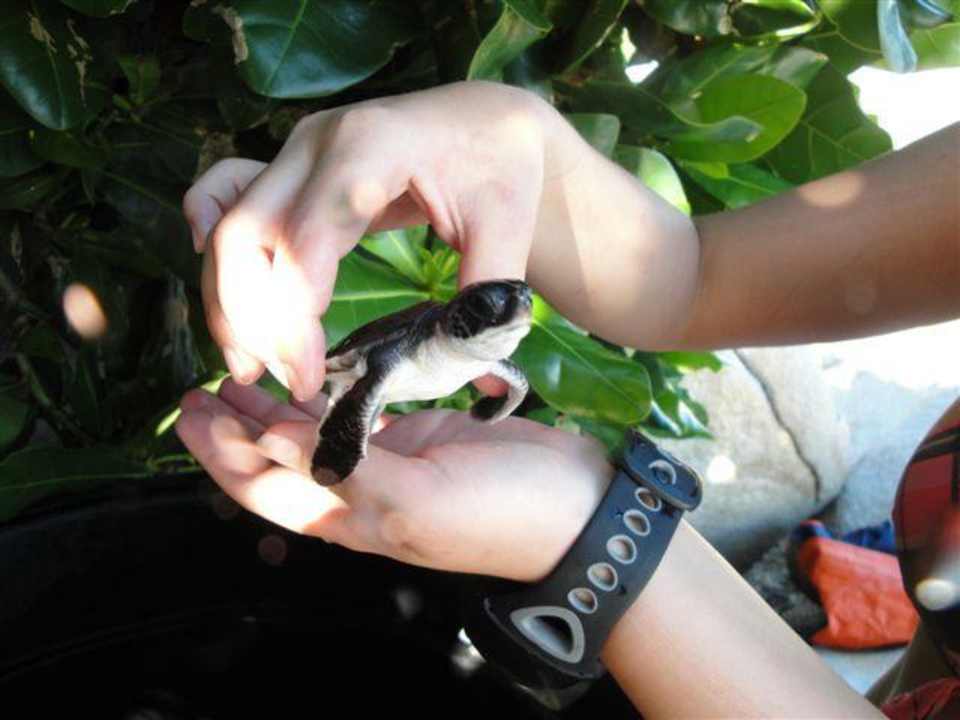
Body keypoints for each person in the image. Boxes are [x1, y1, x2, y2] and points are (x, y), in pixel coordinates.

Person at [176, 81, 959, 718]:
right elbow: (692, 276)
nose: (514, 309)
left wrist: (600, 536)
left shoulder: (493, 356)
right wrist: (519, 147)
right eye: (495, 304)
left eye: (516, 307)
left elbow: (500, 381)